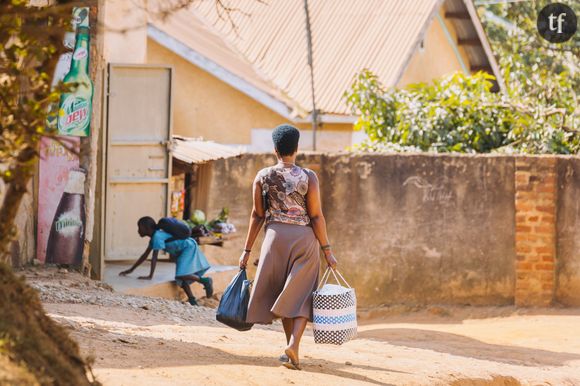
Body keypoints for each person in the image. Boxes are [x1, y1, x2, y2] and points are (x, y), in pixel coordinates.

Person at [240, 124, 337, 370]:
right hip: (304, 240)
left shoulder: (263, 176)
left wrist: (247, 250)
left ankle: (289, 349)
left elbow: (257, 215)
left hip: (275, 239)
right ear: (296, 148)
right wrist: (327, 250)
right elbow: (316, 216)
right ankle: (293, 346)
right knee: (302, 294)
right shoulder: (308, 177)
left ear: (275, 149)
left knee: (284, 293)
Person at [119, 216, 213, 306]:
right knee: (181, 278)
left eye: (139, 228)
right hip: (183, 250)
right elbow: (144, 256)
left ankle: (205, 281)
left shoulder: (157, 236)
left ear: (146, 228)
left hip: (187, 247)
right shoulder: (155, 238)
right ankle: (192, 301)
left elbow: (154, 257)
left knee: (181, 274)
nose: (138, 231)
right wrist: (130, 270)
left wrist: (150, 276)